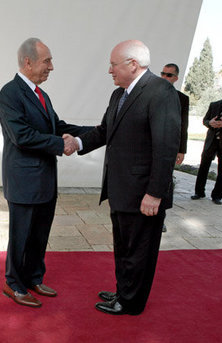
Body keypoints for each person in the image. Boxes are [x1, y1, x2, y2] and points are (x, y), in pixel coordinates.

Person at [64, 40, 180, 315]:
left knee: (140, 250)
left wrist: (155, 193)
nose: (109, 70)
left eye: (113, 64)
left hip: (144, 193)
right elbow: (105, 131)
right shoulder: (120, 95)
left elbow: (166, 147)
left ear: (132, 64)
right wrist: (76, 143)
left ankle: (131, 302)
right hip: (121, 190)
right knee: (125, 246)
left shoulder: (160, 91)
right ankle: (124, 290)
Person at [0, 37, 92, 308]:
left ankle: (33, 278)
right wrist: (61, 144)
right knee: (21, 237)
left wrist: (96, 132)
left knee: (39, 234)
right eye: (47, 60)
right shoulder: (10, 93)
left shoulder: (42, 95)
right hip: (24, 182)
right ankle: (13, 284)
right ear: (28, 62)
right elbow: (21, 135)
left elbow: (56, 125)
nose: (51, 66)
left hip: (45, 181)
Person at [160, 63, 189, 232]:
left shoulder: (182, 99)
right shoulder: (150, 94)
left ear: (176, 78)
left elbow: (183, 125)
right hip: (150, 146)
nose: (165, 77)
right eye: (163, 73)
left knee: (165, 182)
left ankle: (161, 217)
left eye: (169, 75)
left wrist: (181, 149)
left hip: (169, 147)